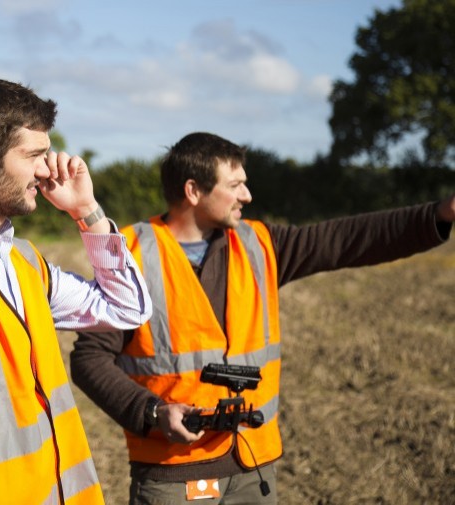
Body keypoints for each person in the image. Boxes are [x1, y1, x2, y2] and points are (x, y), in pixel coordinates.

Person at [70, 132, 455, 504]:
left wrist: (439, 214)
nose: (247, 196)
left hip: (254, 468)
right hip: (172, 474)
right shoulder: (131, 256)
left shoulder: (260, 244)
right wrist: (153, 412)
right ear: (193, 191)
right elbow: (89, 359)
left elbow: (349, 239)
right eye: (235, 185)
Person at [0, 77, 152, 504]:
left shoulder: (23, 261)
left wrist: (85, 211)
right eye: (35, 155)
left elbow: (126, 308)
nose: (46, 169)